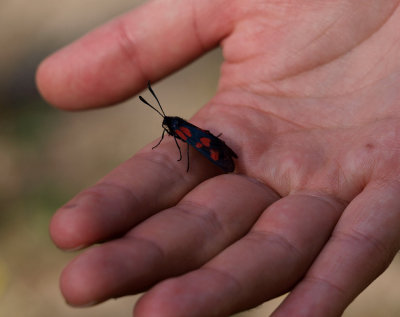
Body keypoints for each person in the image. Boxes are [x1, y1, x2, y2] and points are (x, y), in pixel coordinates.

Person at [36, 1, 400, 316]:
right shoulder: (180, 127)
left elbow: (189, 142)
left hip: (210, 145)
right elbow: (190, 139)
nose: (167, 127)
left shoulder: (178, 130)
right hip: (209, 143)